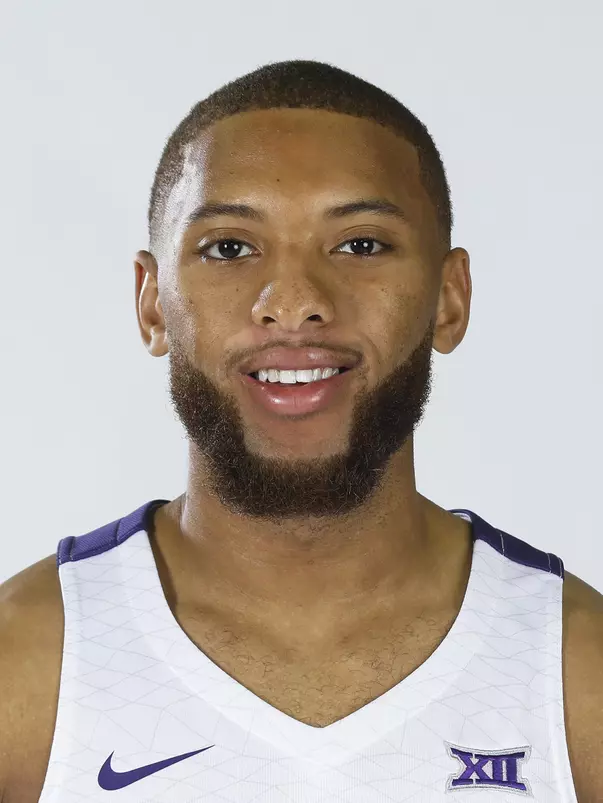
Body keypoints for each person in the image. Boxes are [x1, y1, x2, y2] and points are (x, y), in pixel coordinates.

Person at [0, 59, 601, 803]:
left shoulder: (576, 677)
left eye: (360, 244)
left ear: (449, 299)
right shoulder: (25, 670)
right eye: (228, 247)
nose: (293, 302)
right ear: (152, 303)